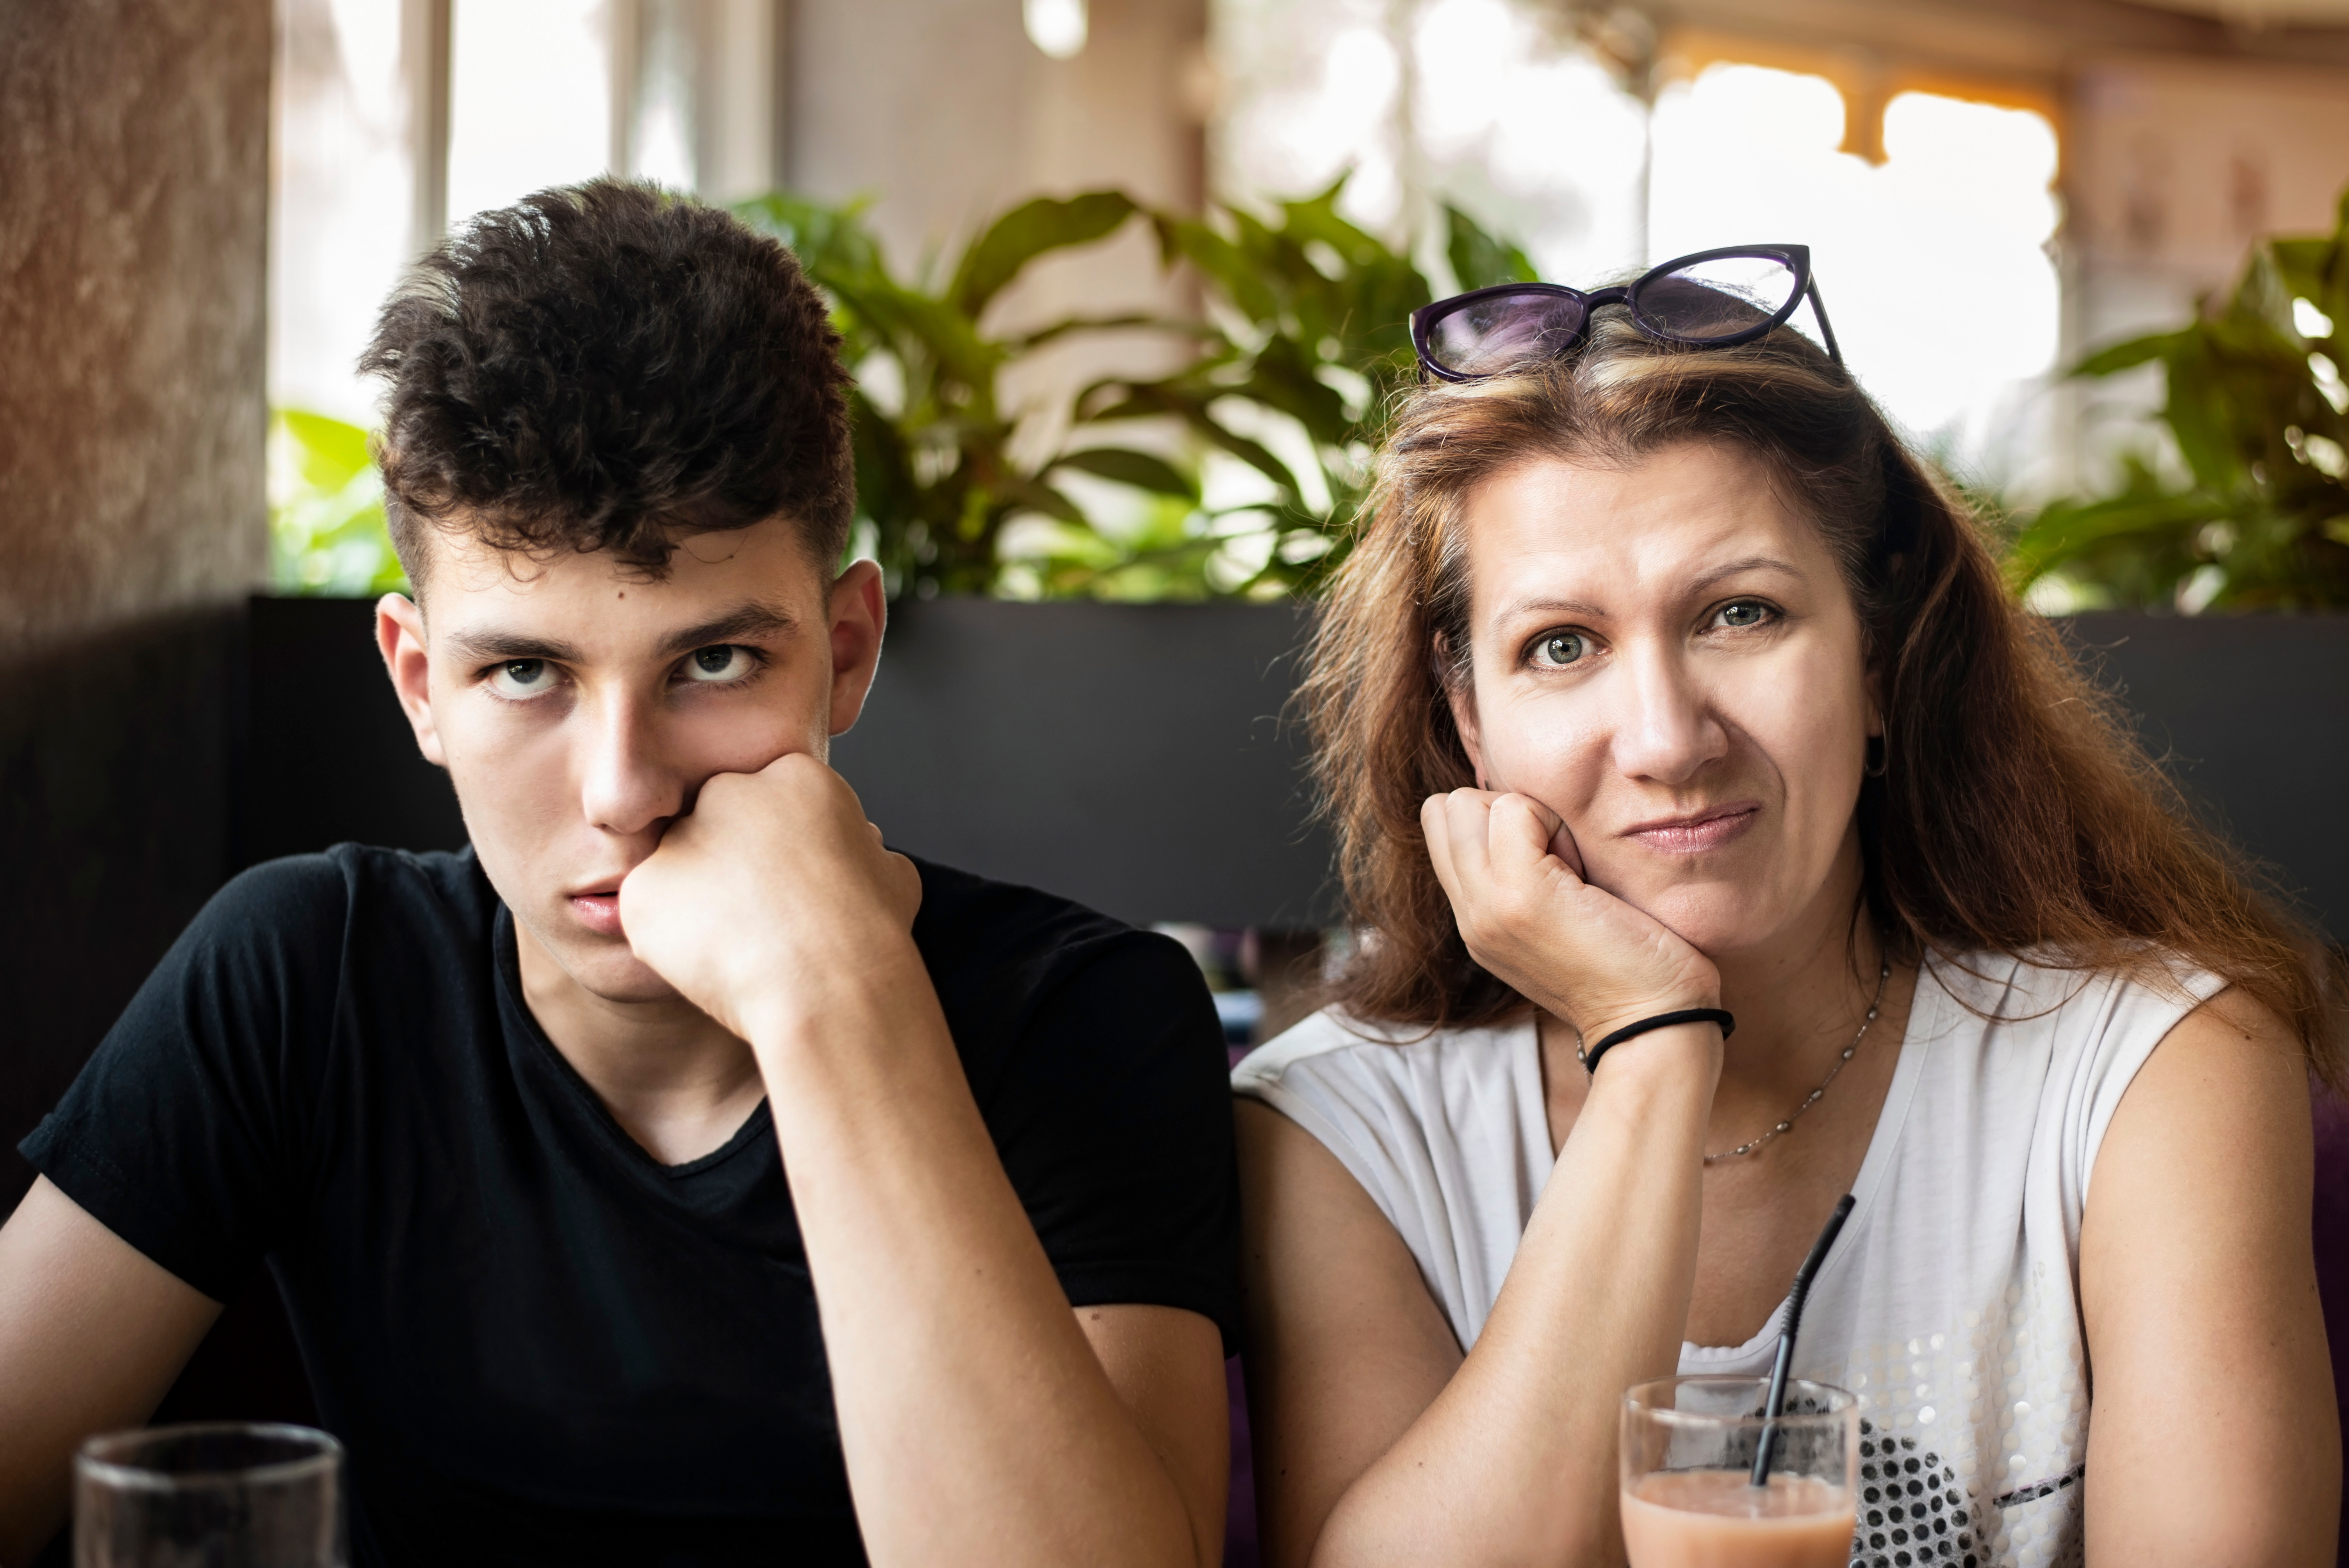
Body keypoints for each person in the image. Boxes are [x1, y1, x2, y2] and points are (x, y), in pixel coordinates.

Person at [0, 180, 1239, 1568]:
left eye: (712, 663)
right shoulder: (310, 972)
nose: (624, 792)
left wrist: (833, 998)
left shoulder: (1088, 1018)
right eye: (524, 673)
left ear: (844, 652)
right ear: (420, 683)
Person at [1231, 248, 2342, 1568]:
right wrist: (1651, 1043)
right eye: (1562, 647)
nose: (1664, 738)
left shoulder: (2154, 1072)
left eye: (1741, 613)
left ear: (1879, 659)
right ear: (1470, 721)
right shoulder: (1340, 1130)